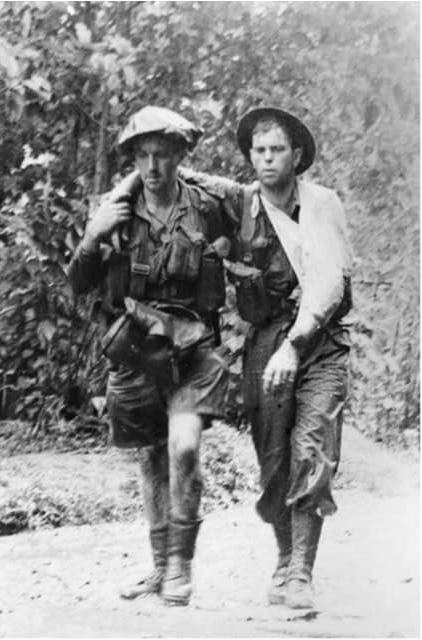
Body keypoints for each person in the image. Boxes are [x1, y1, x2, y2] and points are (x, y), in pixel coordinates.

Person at [115, 106, 352, 610]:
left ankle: (300, 573)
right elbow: (171, 174)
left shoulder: (321, 204)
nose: (268, 159)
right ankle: (284, 558)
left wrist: (296, 344)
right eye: (259, 151)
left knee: (311, 449)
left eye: (278, 150)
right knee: (273, 459)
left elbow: (330, 283)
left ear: (297, 156)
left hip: (319, 342)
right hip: (264, 340)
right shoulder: (240, 202)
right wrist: (118, 197)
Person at [68, 106, 235, 607]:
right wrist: (94, 234)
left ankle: (181, 564)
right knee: (150, 457)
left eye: (162, 154)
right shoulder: (115, 210)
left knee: (183, 446)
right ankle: (161, 566)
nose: (153, 167)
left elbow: (254, 225)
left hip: (193, 348)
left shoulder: (207, 206)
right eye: (143, 156)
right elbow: (77, 282)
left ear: (180, 155)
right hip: (137, 349)